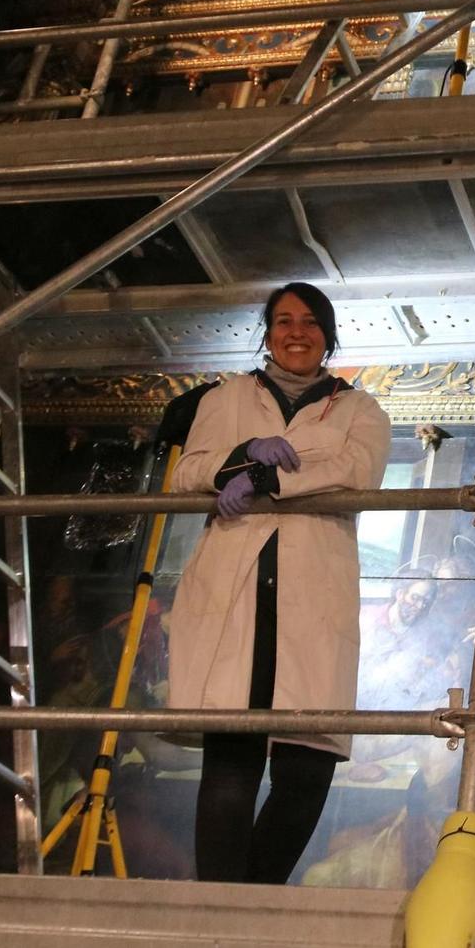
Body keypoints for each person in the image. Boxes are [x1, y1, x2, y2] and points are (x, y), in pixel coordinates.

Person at [164, 281, 393, 884]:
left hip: (312, 594)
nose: (297, 332)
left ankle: (254, 900)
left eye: (311, 321)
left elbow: (356, 472)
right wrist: (239, 454)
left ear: (329, 333)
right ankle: (222, 907)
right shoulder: (229, 396)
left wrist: (266, 478)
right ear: (266, 332)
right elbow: (189, 471)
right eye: (284, 320)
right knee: (232, 761)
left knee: (306, 770)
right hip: (236, 584)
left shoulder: (360, 409)